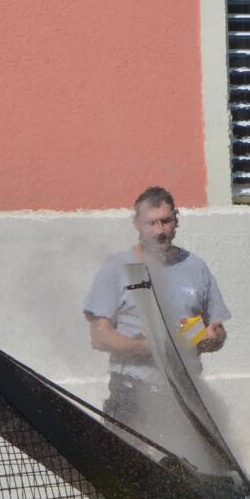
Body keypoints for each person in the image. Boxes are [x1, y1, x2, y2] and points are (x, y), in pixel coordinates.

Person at [83, 186, 229, 446]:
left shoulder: (196, 267)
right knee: (131, 470)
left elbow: (216, 330)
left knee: (191, 469)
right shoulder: (117, 267)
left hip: (185, 394)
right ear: (137, 224)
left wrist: (211, 338)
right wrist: (149, 348)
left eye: (166, 221)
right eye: (151, 223)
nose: (160, 231)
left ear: (176, 219)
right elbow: (99, 336)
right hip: (132, 394)